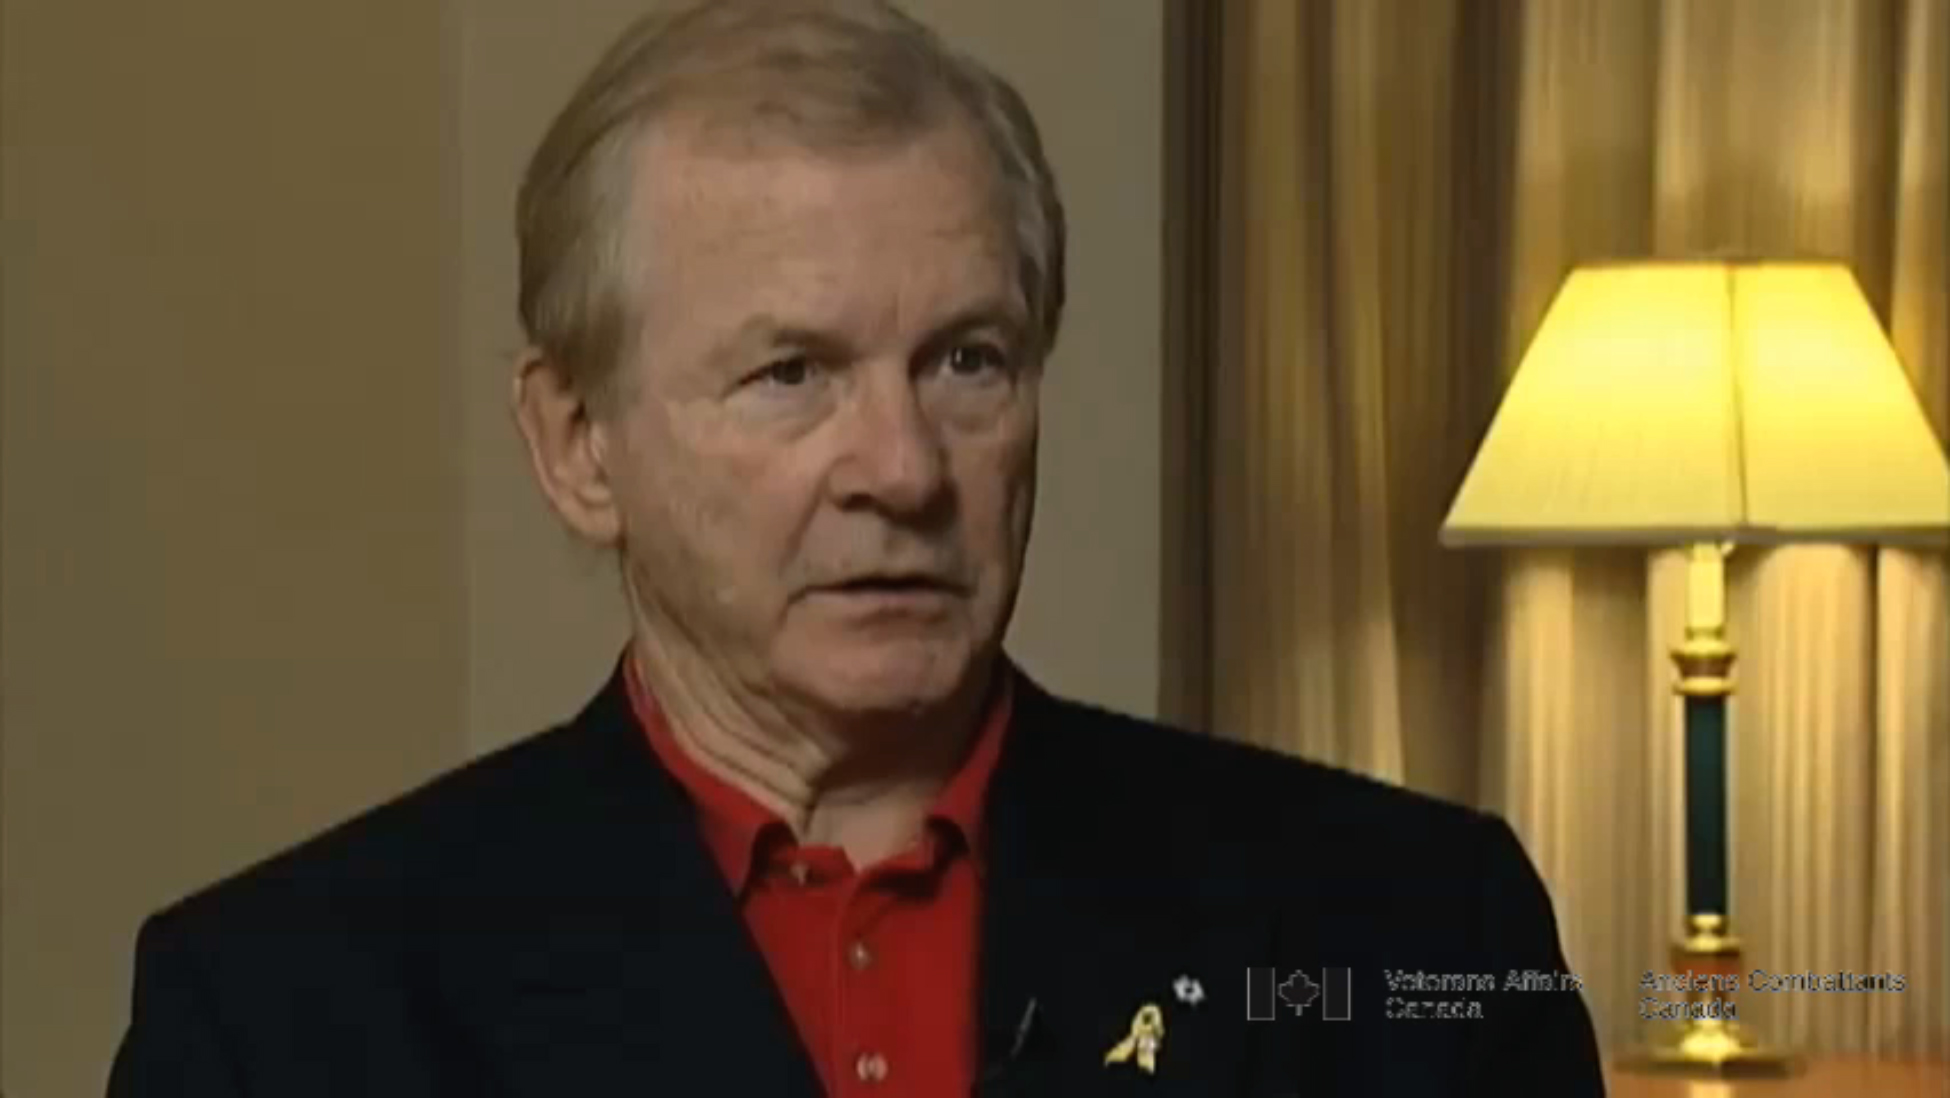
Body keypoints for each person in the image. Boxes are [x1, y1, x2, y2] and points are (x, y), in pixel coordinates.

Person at [108, 1, 1605, 1094]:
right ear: (576, 444)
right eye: (791, 374)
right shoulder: (283, 1019)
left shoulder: (1414, 930)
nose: (901, 469)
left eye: (966, 361)